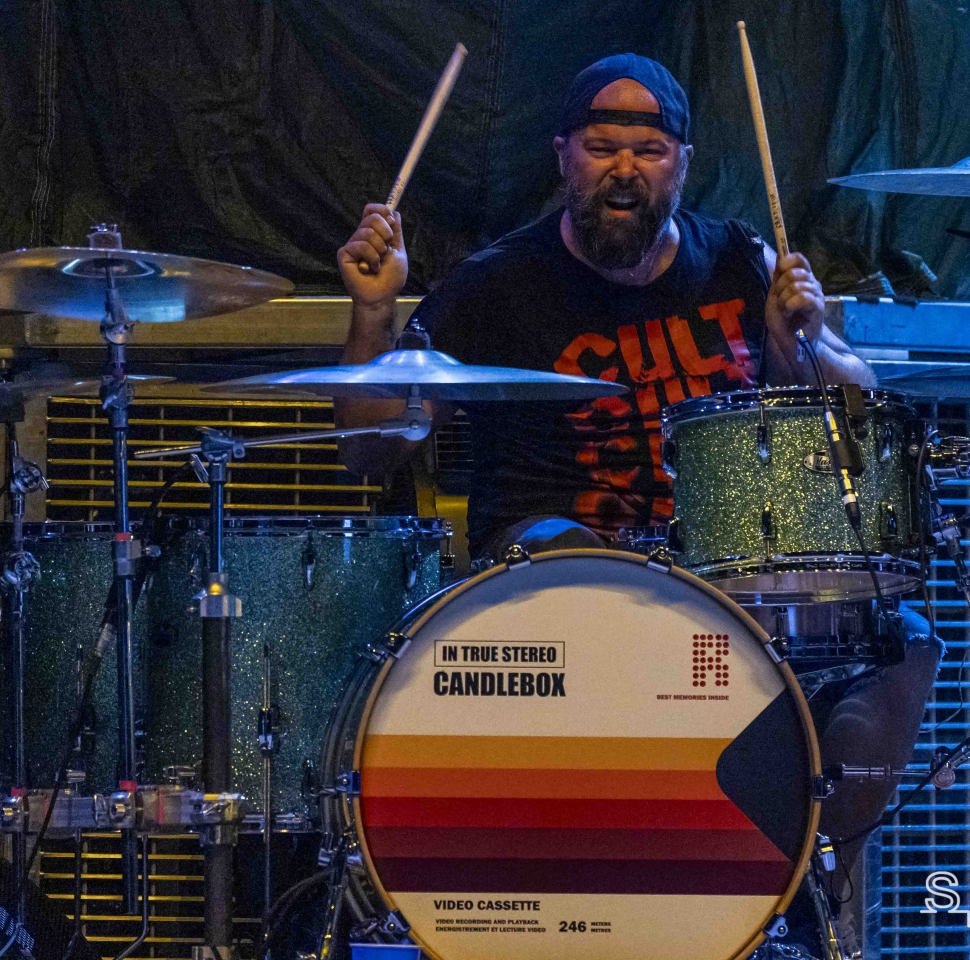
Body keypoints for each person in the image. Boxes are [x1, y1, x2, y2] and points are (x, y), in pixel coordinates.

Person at [335, 52, 939, 935]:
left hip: (724, 578)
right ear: (562, 156)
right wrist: (372, 315)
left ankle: (808, 889)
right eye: (601, 146)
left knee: (903, 640)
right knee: (581, 563)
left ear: (683, 164)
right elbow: (366, 450)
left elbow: (855, 403)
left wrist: (804, 342)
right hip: (554, 568)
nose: (624, 168)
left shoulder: (738, 259)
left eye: (649, 150)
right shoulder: (498, 284)